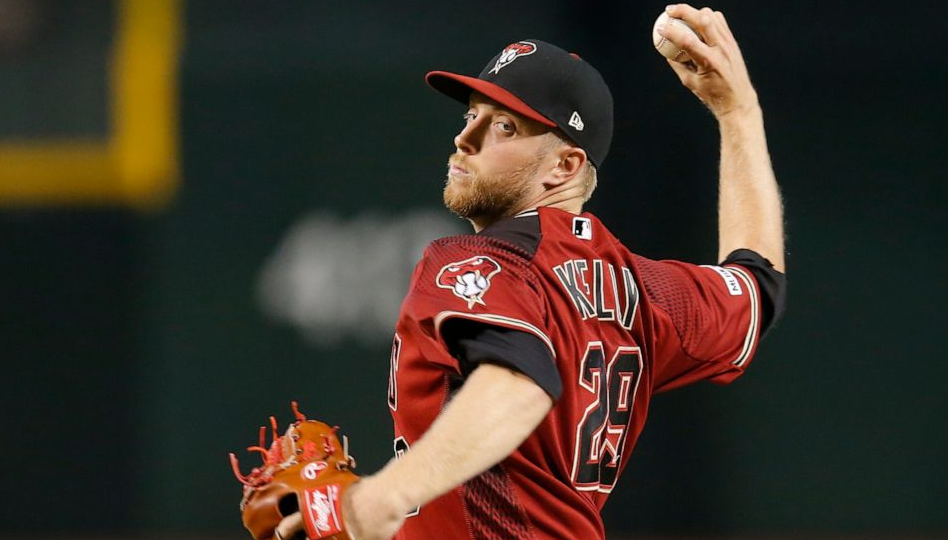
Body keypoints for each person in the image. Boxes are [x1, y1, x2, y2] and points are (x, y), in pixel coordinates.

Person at [279, 4, 786, 540]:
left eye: (502, 125)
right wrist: (738, 114)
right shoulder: (647, 290)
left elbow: (520, 385)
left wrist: (388, 494)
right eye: (470, 114)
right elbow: (759, 283)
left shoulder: (478, 262)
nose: (465, 138)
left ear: (564, 166)